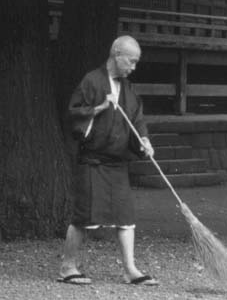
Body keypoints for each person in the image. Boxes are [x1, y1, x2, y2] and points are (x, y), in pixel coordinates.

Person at [58, 35, 158, 286]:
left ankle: (130, 269)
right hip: (93, 161)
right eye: (131, 61)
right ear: (116, 54)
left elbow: (137, 121)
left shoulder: (129, 89)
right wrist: (100, 107)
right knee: (84, 216)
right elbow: (73, 113)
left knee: (126, 217)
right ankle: (67, 267)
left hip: (116, 162)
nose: (133, 67)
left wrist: (144, 141)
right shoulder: (92, 81)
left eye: (136, 63)